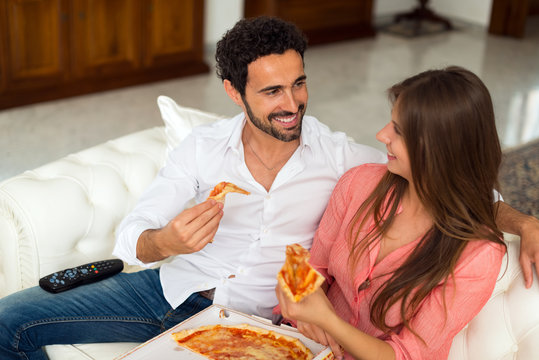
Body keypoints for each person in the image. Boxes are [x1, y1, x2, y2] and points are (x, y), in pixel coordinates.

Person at [0, 16, 537, 359]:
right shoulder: (204, 149)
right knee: (9, 322)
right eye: (272, 91)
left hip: (262, 320)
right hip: (172, 289)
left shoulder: (345, 161)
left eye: (299, 83)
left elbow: (451, 186)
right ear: (235, 93)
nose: (292, 104)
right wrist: (166, 243)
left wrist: (524, 221)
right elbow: (135, 235)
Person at [275, 67, 510, 360]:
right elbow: (315, 269)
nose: (381, 135)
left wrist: (327, 320)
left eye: (398, 130)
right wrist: (293, 288)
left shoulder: (478, 256)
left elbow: (404, 356)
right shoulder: (358, 184)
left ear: (440, 150)